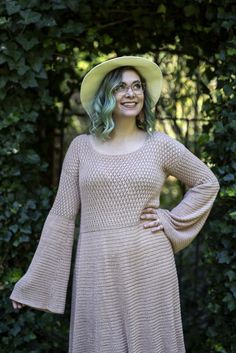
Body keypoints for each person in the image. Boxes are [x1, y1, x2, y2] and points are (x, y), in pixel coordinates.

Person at [10, 56, 220, 353]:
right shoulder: (81, 148)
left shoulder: (159, 144)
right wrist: (35, 282)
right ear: (107, 96)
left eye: (137, 86)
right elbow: (62, 216)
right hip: (97, 265)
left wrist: (170, 219)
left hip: (149, 261)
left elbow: (206, 182)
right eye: (121, 87)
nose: (131, 93)